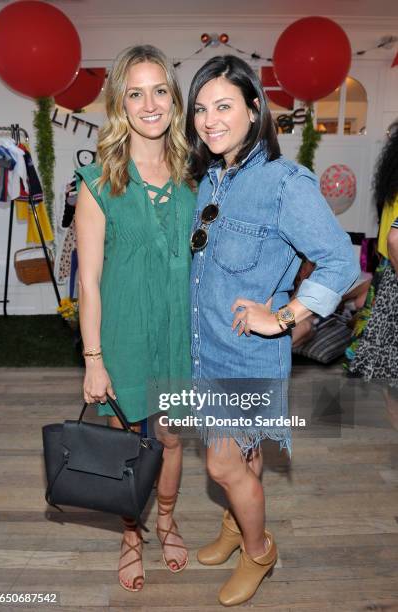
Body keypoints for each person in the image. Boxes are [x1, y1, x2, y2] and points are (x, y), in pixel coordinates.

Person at [185, 55, 359, 607]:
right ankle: (238, 527)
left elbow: (340, 263)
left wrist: (283, 317)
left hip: (246, 355)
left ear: (255, 108)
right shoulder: (212, 175)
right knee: (244, 457)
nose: (208, 120)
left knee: (221, 462)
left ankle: (259, 550)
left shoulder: (285, 182)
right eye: (200, 108)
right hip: (205, 347)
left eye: (223, 106)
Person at [75, 45, 195, 592]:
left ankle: (165, 521)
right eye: (136, 93)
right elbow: (89, 282)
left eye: (160, 91)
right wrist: (93, 359)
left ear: (174, 97)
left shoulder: (196, 175)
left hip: (177, 337)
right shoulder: (98, 183)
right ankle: (131, 534)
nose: (150, 104)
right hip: (124, 333)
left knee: (170, 440)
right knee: (130, 445)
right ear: (120, 104)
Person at [346, 120, 398, 386]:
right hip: (393, 268)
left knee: (378, 334)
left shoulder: (392, 180)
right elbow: (394, 238)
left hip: (387, 265)